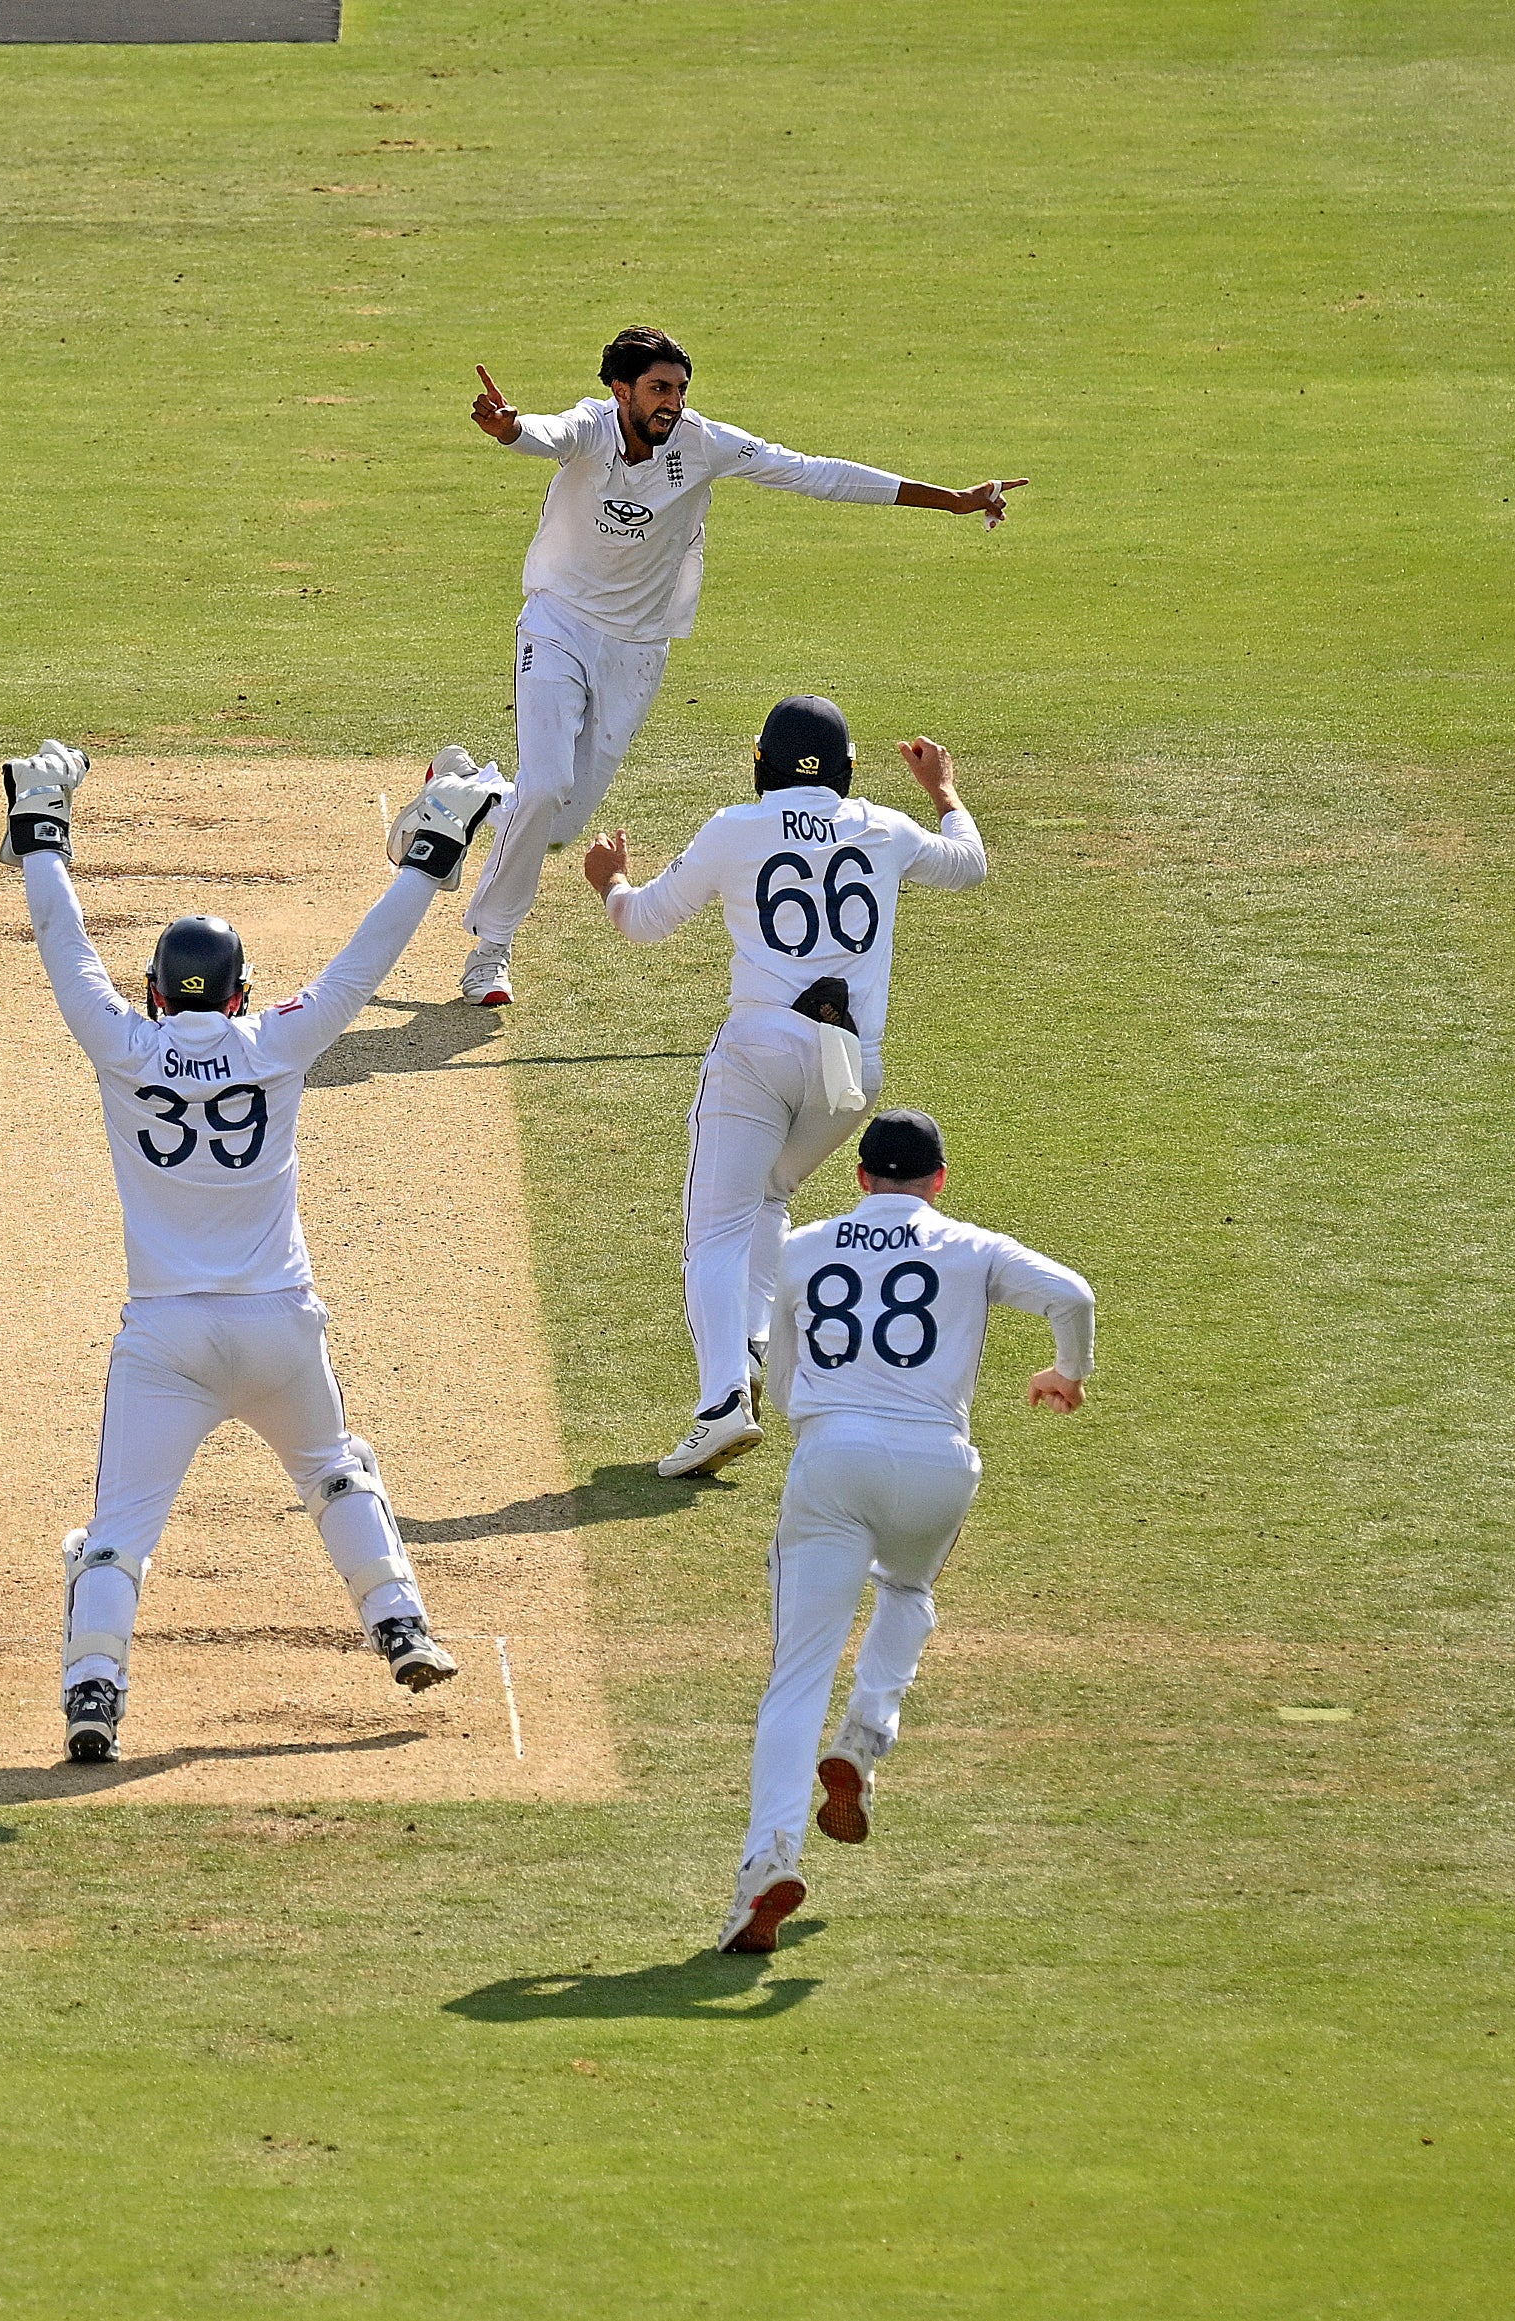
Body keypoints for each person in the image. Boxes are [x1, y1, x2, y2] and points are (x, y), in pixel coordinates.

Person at [3, 738, 511, 1764]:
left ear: (156, 990)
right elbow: (364, 962)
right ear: (236, 995)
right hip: (279, 1322)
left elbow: (63, 942)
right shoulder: (275, 1040)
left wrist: (42, 832)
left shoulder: (120, 1040)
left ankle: (94, 1691)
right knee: (331, 1469)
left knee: (116, 1531)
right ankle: (400, 1623)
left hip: (167, 1337)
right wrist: (428, 852)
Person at [453, 330, 1022, 1006]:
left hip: (639, 648)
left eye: (680, 389)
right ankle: (492, 948)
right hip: (559, 625)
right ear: (621, 390)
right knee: (545, 785)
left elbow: (819, 472)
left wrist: (953, 499)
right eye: (659, 388)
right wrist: (507, 427)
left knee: (561, 822)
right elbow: (541, 433)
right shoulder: (588, 426)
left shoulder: (704, 443)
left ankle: (463, 795)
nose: (672, 403)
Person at [580, 698, 989, 1479]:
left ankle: (721, 1401)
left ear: (761, 761)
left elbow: (642, 922)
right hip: (849, 1071)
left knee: (712, 1232)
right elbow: (967, 862)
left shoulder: (737, 827)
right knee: (769, 1194)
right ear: (847, 769)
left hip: (760, 1051)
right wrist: (943, 791)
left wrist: (611, 879)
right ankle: (759, 1339)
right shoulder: (886, 828)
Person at [716, 1109, 1091, 1956]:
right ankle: (868, 1730)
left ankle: (768, 1859)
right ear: (939, 1179)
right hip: (937, 1466)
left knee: (795, 1679)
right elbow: (1073, 1295)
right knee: (910, 1589)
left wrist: (821, 1420)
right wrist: (1067, 1373)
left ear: (859, 1179)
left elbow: (777, 1376)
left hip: (834, 1455)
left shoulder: (806, 1246)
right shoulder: (971, 1245)